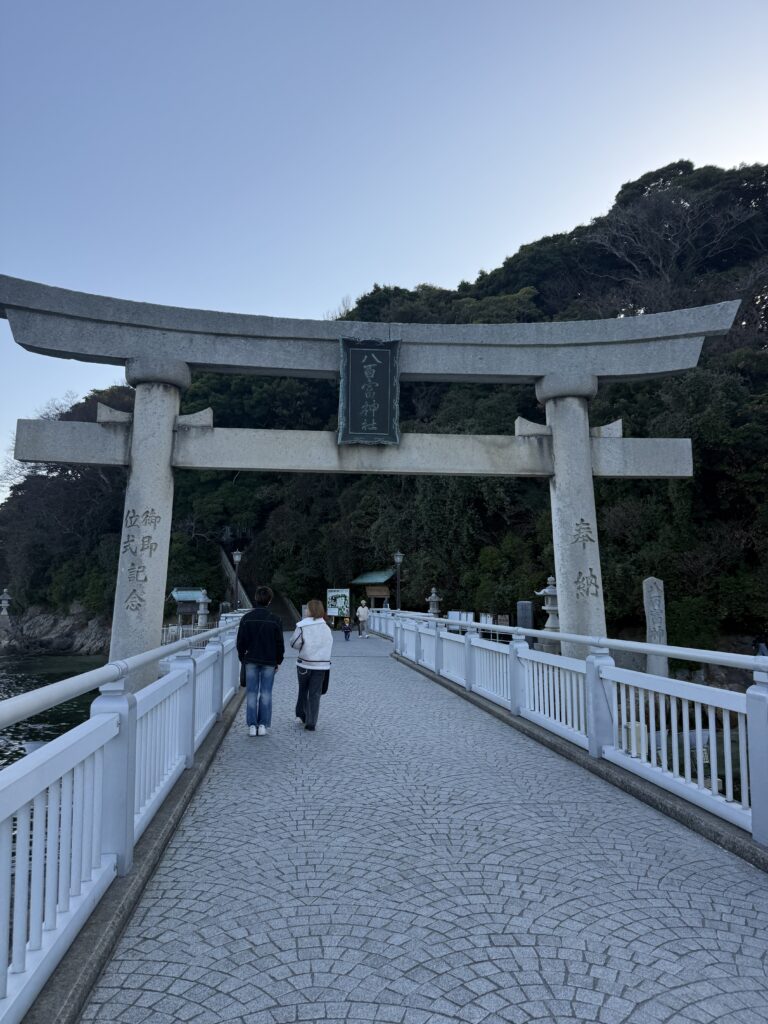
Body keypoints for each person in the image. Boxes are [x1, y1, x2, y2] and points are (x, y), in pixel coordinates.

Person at [236, 586, 284, 737]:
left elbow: (240, 643)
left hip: (251, 660)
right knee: (266, 693)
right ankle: (263, 725)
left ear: (255, 599)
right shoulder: (275, 619)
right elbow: (279, 644)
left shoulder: (246, 619)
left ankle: (252, 726)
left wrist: (243, 658)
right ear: (269, 600)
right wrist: (278, 660)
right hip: (269, 661)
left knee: (251, 693)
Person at [290, 599, 333, 731]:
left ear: (310, 610)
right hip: (321, 666)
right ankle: (311, 722)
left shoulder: (302, 626)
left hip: (304, 664)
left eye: (307, 608)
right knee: (315, 694)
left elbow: (294, 643)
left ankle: (301, 714)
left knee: (303, 690)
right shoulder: (326, 628)